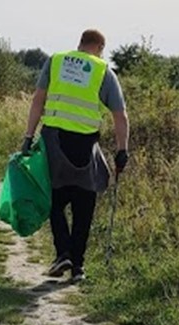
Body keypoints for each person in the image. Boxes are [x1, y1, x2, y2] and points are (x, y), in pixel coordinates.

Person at [22, 29, 130, 283]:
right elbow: (120, 115)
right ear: (100, 47)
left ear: (80, 43)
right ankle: (78, 266)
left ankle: (63, 253)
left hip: (53, 140)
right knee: (84, 205)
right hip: (85, 143)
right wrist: (122, 150)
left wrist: (28, 136)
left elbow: (38, 100)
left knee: (54, 200)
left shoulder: (56, 60)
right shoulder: (103, 71)